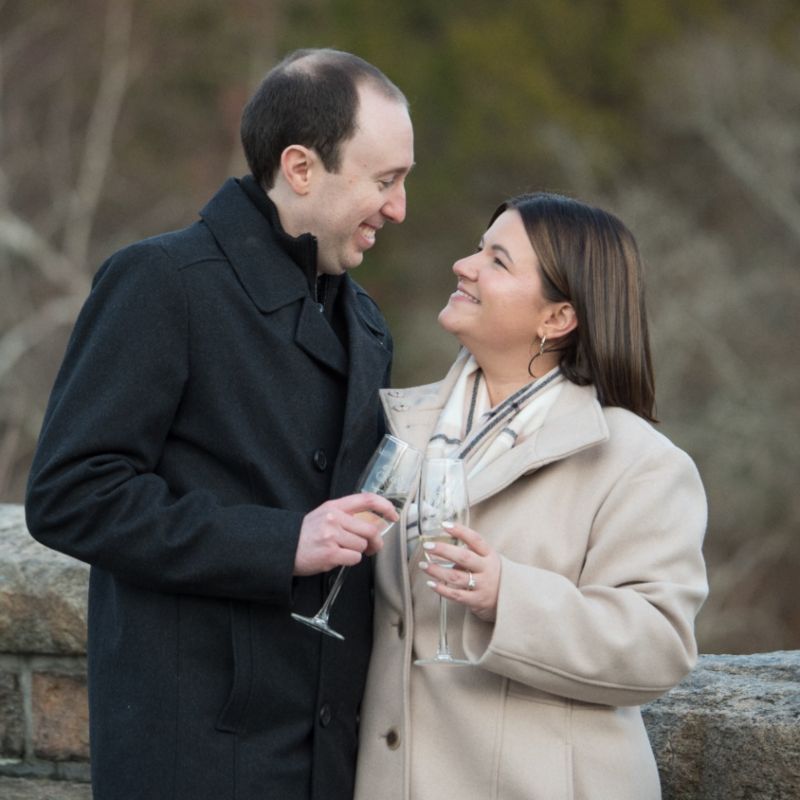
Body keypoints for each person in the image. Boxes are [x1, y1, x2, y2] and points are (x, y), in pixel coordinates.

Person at [25, 48, 414, 800]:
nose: (399, 208)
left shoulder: (366, 324)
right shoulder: (160, 281)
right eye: (385, 180)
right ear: (301, 168)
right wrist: (281, 542)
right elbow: (70, 494)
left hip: (326, 758)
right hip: (190, 756)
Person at [355, 192, 708, 800]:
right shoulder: (396, 426)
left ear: (558, 318)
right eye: (478, 249)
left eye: (496, 260)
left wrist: (507, 596)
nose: (464, 266)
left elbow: (660, 646)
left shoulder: (641, 462)